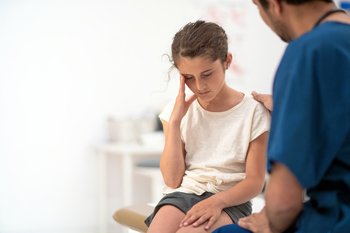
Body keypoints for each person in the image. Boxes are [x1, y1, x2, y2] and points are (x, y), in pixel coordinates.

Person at [213, 0, 350, 232]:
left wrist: (271, 222)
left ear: (275, 5)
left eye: (258, 6)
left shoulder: (309, 50)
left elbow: (283, 206)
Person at [144, 20, 271, 233]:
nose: (200, 86)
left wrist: (217, 202)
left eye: (207, 74)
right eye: (189, 78)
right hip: (182, 195)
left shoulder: (254, 111)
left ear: (227, 61)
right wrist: (174, 123)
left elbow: (255, 182)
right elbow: (173, 180)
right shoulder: (175, 114)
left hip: (231, 201)